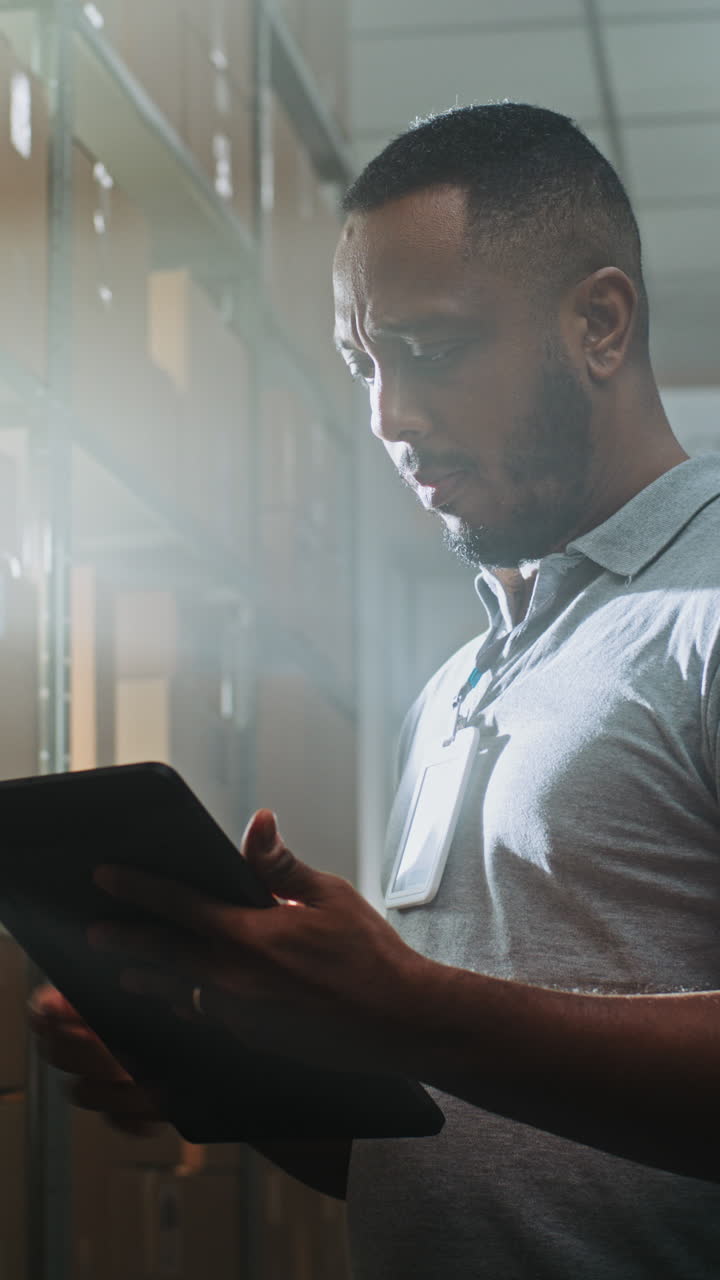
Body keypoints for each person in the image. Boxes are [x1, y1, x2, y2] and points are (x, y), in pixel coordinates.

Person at [31, 104, 720, 1278]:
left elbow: (434, 1025)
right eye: (365, 364)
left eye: (434, 348)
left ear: (600, 322)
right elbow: (438, 1149)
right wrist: (225, 1051)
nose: (391, 418)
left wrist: (405, 1006)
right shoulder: (457, 683)